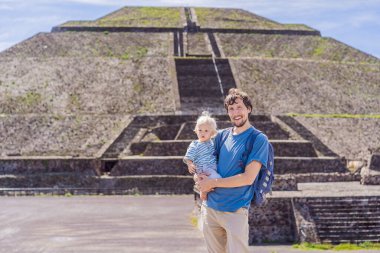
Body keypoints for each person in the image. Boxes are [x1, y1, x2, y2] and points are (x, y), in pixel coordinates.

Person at [193, 88, 270, 253]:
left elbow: (248, 178)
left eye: (240, 107)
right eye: (231, 109)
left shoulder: (257, 139)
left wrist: (212, 183)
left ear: (249, 109)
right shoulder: (222, 136)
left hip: (235, 210)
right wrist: (198, 176)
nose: (236, 112)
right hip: (210, 208)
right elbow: (204, 161)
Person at [184, 111, 221, 201]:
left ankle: (206, 189)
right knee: (218, 179)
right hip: (204, 168)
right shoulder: (195, 144)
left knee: (217, 178)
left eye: (206, 131)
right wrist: (190, 164)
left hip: (212, 166)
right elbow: (188, 156)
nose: (202, 133)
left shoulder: (212, 143)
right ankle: (203, 191)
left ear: (212, 133)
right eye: (200, 130)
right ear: (196, 131)